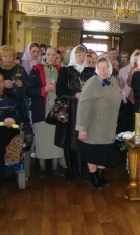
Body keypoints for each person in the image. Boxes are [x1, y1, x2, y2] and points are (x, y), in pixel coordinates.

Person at [76, 57, 121, 189]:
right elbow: (83, 106)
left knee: (104, 152)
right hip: (94, 124)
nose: (103, 70)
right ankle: (94, 177)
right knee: (93, 152)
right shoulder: (92, 82)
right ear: (96, 68)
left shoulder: (113, 81)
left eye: (105, 67)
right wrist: (82, 128)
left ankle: (101, 175)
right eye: (100, 68)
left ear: (109, 68)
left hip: (109, 125)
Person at [55, 45, 94, 181]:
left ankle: (80, 169)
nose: (81, 57)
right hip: (71, 109)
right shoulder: (65, 70)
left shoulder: (89, 71)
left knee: (83, 140)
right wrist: (74, 94)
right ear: (73, 56)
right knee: (69, 140)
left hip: (85, 109)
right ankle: (71, 170)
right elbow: (60, 90)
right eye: (78, 55)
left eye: (83, 55)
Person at [26, 46, 64, 178]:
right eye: (49, 54)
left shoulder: (59, 70)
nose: (51, 57)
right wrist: (45, 89)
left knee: (56, 139)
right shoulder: (36, 69)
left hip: (57, 111)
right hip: (42, 110)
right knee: (42, 139)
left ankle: (55, 167)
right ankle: (42, 168)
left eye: (54, 55)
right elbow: (29, 90)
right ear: (44, 55)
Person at [0, 73, 20, 195]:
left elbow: (18, 115)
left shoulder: (10, 98)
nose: (0, 84)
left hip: (8, 129)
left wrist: (13, 119)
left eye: (1, 81)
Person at [0, 45, 29, 122]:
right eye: (5, 56)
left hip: (17, 101)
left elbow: (28, 86)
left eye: (11, 56)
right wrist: (2, 83)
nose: (9, 59)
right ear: (1, 57)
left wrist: (22, 85)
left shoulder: (20, 69)